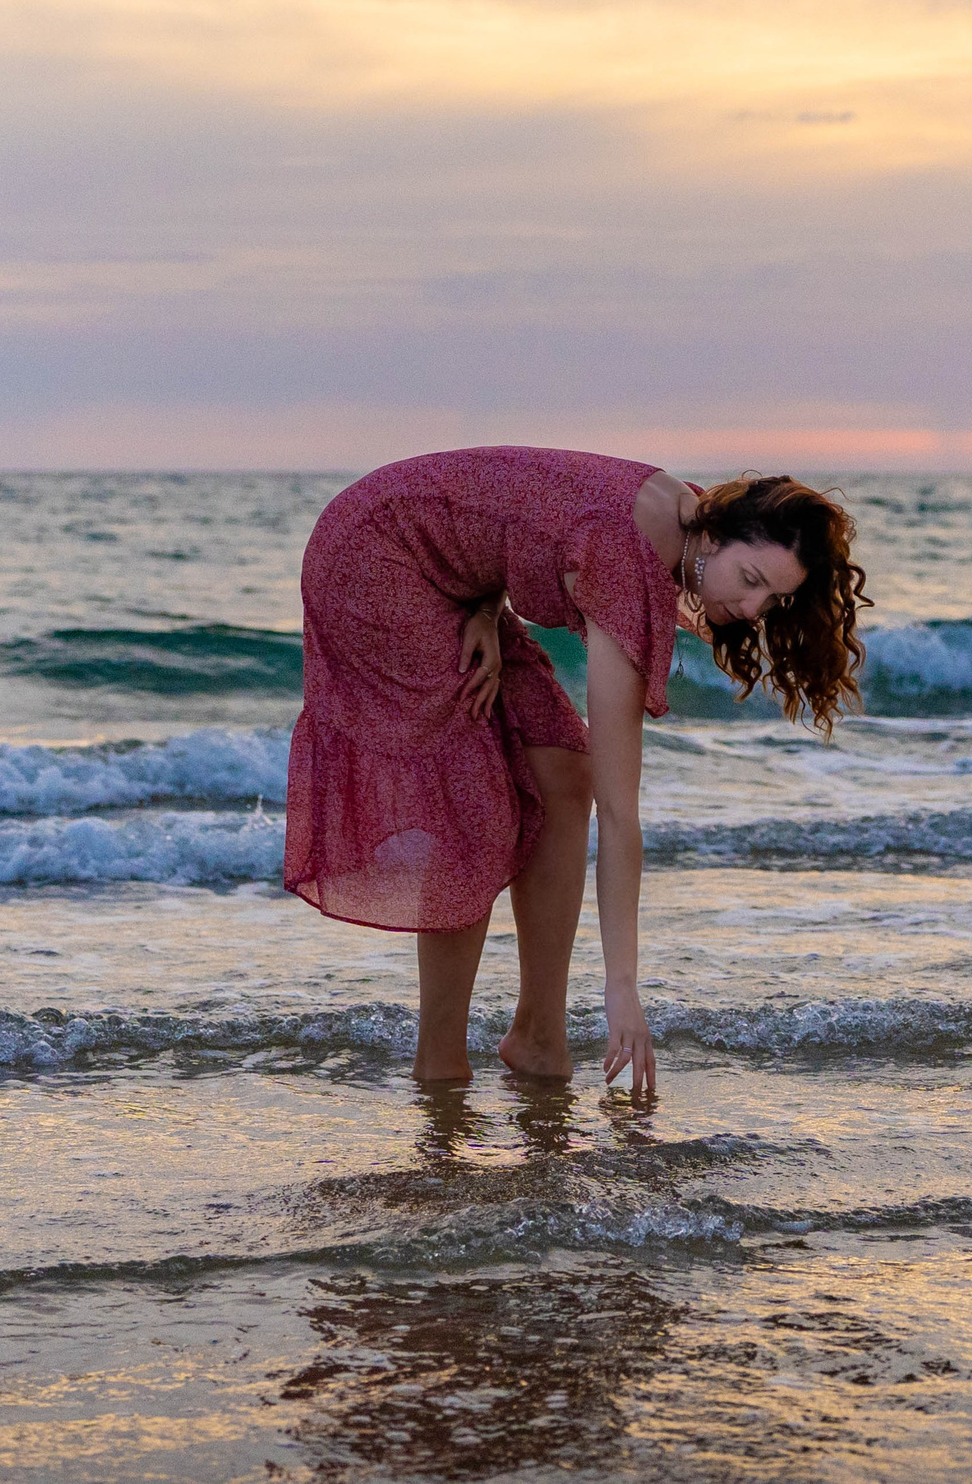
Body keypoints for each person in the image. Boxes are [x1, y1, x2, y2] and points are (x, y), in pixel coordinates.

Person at [284, 446, 868, 1094]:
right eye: (752, 580)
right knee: (476, 807)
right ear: (718, 531)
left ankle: (539, 1036)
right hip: (372, 557)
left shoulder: (686, 519)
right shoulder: (629, 555)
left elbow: (510, 511)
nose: (755, 609)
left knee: (565, 771)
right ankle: (439, 1065)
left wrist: (483, 605)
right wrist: (623, 992)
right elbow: (622, 816)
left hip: (452, 577)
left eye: (773, 599)